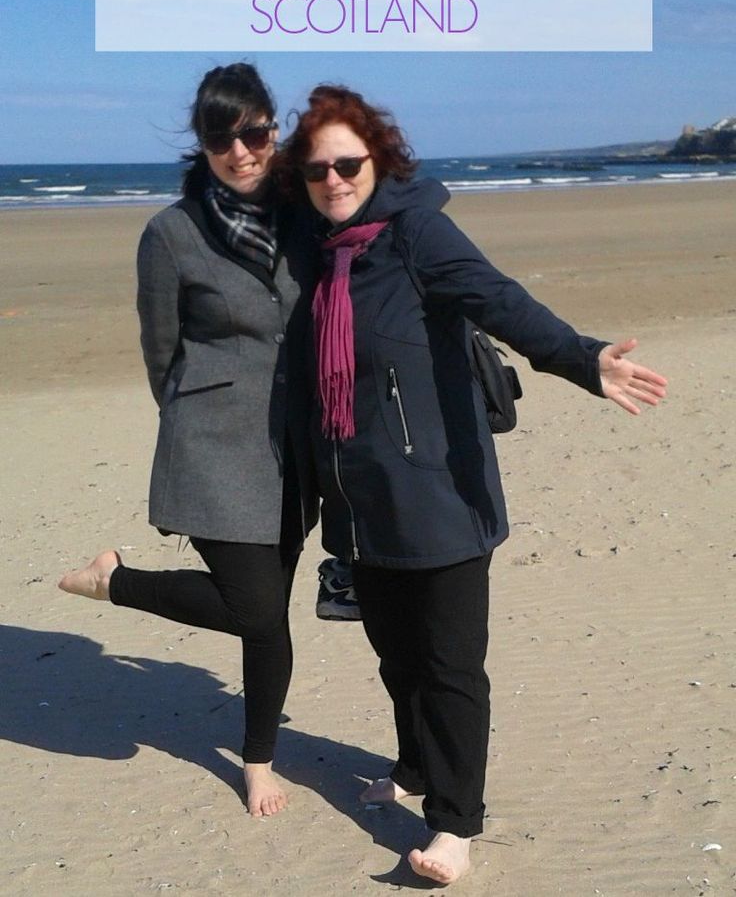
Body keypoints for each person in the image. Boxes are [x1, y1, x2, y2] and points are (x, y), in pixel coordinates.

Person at [276, 85, 667, 883]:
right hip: (360, 497)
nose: (334, 181)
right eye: (317, 171)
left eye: (348, 164)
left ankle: (454, 824)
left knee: (449, 664)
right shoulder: (317, 249)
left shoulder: (417, 232)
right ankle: (414, 769)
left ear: (377, 159)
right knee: (395, 656)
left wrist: (584, 359)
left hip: (440, 490)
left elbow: (501, 303)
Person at [59, 62, 319, 818]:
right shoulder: (170, 234)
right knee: (253, 609)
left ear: (274, 130)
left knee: (269, 622)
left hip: (292, 449)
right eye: (221, 137)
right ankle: (119, 583)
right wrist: (194, 419)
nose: (241, 150)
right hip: (211, 443)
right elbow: (160, 348)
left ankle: (258, 760)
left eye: (255, 133)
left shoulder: (304, 216)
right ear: (201, 143)